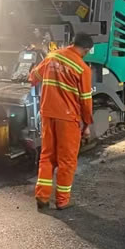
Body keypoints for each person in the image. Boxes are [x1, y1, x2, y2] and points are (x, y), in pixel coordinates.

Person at [29, 32, 94, 210]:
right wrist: (87, 123)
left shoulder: (52, 56)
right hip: (68, 118)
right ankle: (62, 201)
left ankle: (42, 197)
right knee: (67, 160)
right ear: (86, 50)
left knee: (47, 156)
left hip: (47, 113)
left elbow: (34, 77)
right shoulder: (82, 68)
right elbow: (86, 100)